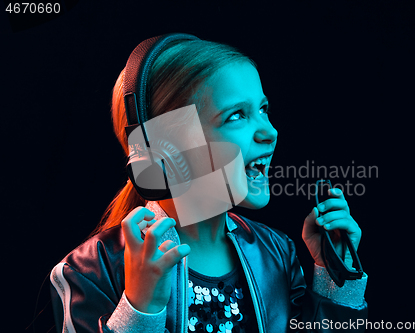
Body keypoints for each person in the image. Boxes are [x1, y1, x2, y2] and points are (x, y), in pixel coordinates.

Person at [50, 34, 368, 333]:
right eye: (236, 116)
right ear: (163, 149)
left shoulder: (277, 253)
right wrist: (140, 308)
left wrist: (335, 280)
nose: (270, 131)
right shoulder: (88, 272)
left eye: (263, 109)